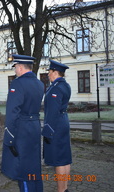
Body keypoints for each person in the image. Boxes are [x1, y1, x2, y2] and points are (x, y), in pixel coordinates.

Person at [1, 54, 44, 192]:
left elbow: (12, 113)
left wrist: (9, 138)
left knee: (23, 169)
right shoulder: (39, 83)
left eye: (15, 67)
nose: (15, 70)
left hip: (21, 130)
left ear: (20, 67)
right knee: (33, 167)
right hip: (35, 127)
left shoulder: (17, 84)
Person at [42, 59, 72, 192]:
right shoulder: (65, 85)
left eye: (49, 71)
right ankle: (65, 189)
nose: (48, 74)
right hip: (63, 121)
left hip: (56, 125)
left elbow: (53, 112)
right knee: (65, 158)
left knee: (59, 159)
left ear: (55, 72)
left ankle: (61, 190)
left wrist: (48, 130)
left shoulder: (56, 88)